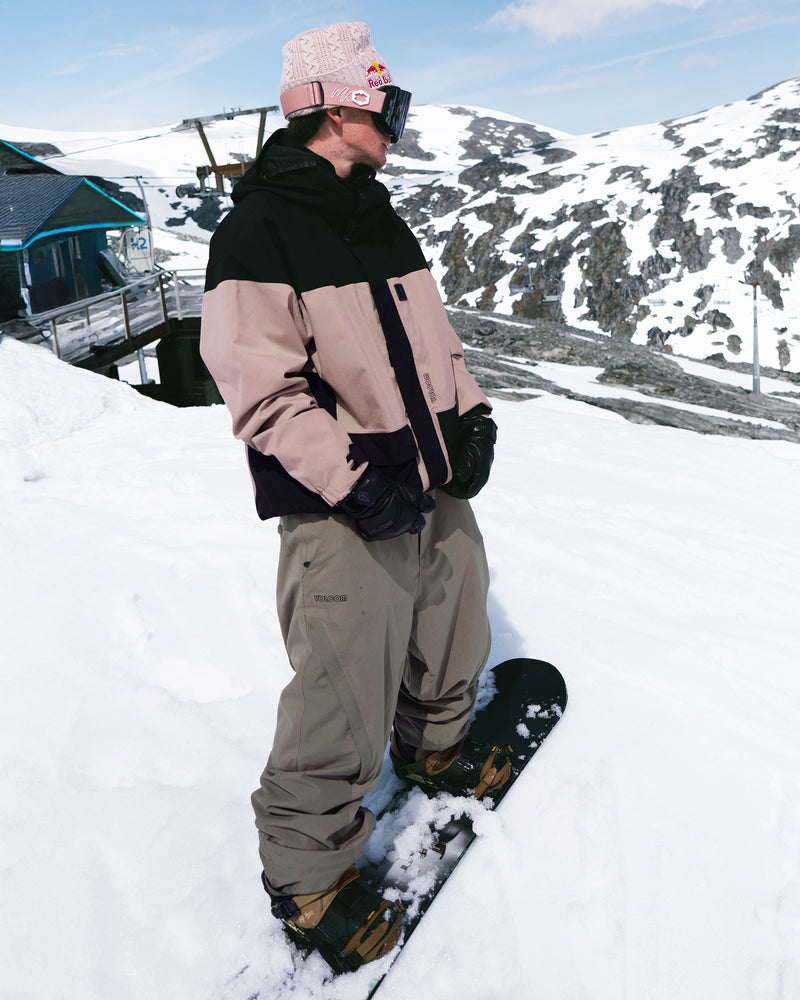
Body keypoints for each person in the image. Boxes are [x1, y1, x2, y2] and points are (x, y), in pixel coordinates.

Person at [200, 20, 503, 970]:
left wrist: (474, 415)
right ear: (333, 109)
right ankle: (307, 877)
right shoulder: (257, 229)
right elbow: (262, 392)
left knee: (456, 600)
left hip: (425, 470)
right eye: (389, 105)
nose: (399, 124)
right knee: (342, 682)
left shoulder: (377, 211)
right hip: (343, 499)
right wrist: (351, 480)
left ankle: (436, 744)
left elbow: (435, 342)